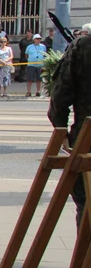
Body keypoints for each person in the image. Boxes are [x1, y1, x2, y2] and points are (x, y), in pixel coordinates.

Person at [47, 34, 91, 221]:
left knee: (86, 204)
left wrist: (60, 128)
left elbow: (60, 93)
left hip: (87, 140)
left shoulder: (84, 46)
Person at [24, 33, 47, 97]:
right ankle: (28, 91)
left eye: (39, 39)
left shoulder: (43, 46)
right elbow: (26, 55)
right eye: (37, 39)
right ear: (34, 39)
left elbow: (44, 54)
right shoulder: (29, 47)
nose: (38, 40)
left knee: (39, 79)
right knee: (29, 79)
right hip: (31, 64)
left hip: (40, 64)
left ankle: (38, 91)